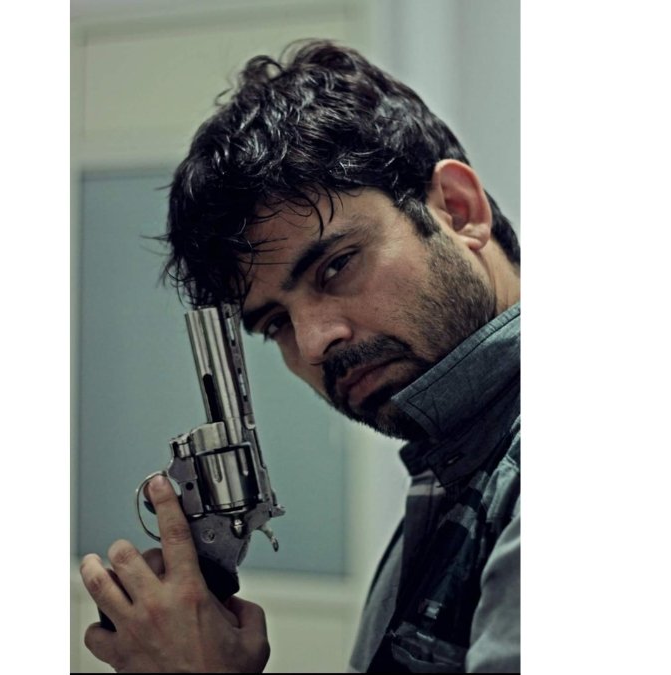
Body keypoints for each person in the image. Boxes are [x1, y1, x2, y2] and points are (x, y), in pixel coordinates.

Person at [80, 39, 521, 672]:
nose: (313, 344)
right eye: (275, 323)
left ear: (458, 209)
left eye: (336, 266)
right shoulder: (456, 461)